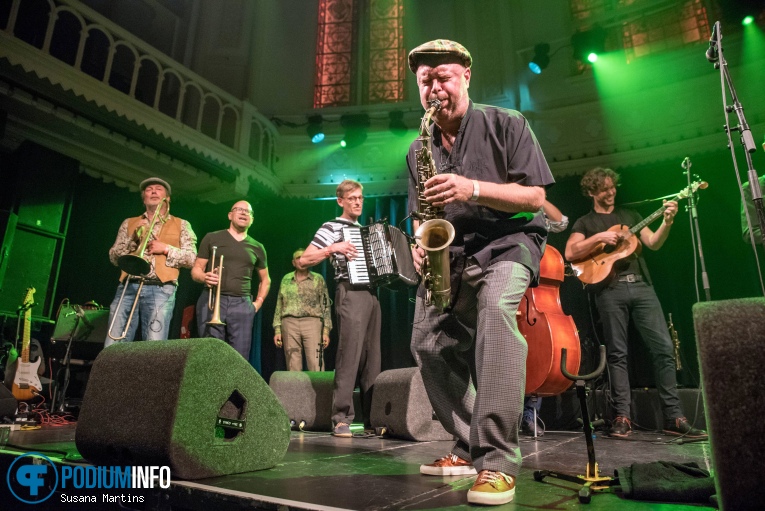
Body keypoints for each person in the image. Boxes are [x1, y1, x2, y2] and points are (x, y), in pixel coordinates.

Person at [407, 39, 553, 506]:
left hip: (510, 242)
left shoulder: (508, 123)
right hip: (452, 252)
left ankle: (497, 462)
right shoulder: (417, 148)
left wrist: (472, 188)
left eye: (443, 76)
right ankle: (469, 444)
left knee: (493, 315)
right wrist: (416, 241)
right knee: (427, 343)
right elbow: (421, 213)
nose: (434, 87)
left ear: (467, 76)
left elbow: (534, 199)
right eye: (425, 80)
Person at [564, 167, 707, 440]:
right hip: (610, 290)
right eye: (604, 189)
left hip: (641, 286)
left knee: (664, 348)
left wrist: (667, 221)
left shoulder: (631, 216)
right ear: (592, 191)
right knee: (617, 354)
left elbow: (652, 243)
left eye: (613, 187)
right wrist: (600, 237)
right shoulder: (585, 222)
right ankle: (622, 416)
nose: (611, 192)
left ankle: (674, 417)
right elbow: (570, 252)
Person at [298, 180, 381, 439]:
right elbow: (304, 259)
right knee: (349, 357)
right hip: (349, 292)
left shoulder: (366, 230)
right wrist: (333, 248)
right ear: (341, 201)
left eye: (360, 198)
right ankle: (341, 418)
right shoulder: (331, 227)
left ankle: (372, 419)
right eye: (352, 198)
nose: (357, 201)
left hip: (371, 295)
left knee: (372, 360)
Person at [105, 177, 196, 347]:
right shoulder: (130, 222)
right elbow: (113, 257)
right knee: (114, 342)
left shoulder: (182, 224)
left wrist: (166, 249)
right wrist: (132, 241)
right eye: (149, 189)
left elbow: (192, 259)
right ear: (143, 197)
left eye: (159, 189)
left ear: (167, 198)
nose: (153, 191)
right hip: (128, 286)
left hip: (161, 288)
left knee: (153, 344)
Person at [191, 201, 270, 359]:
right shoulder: (212, 237)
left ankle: (234, 385)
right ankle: (212, 385)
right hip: (212, 300)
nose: (244, 213)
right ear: (230, 215)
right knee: (210, 354)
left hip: (241, 303)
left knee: (240, 357)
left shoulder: (257, 246)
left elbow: (265, 279)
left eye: (248, 212)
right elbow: (196, 269)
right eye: (239, 210)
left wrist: (257, 304)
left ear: (252, 219)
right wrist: (204, 277)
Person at [521, 200, 569, 437]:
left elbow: (560, 223)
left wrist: (538, 198)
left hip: (533, 304)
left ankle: (529, 413)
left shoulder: (535, 208)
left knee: (536, 354)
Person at [273, 249, 332, 371]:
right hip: (289, 324)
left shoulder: (318, 279)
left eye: (304, 257)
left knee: (316, 363)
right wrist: (277, 329)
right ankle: (295, 390)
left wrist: (326, 331)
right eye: (298, 258)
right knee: (292, 365)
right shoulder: (286, 279)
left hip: (312, 323)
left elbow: (325, 306)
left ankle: (319, 390)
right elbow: (279, 304)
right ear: (293, 262)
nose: (301, 260)